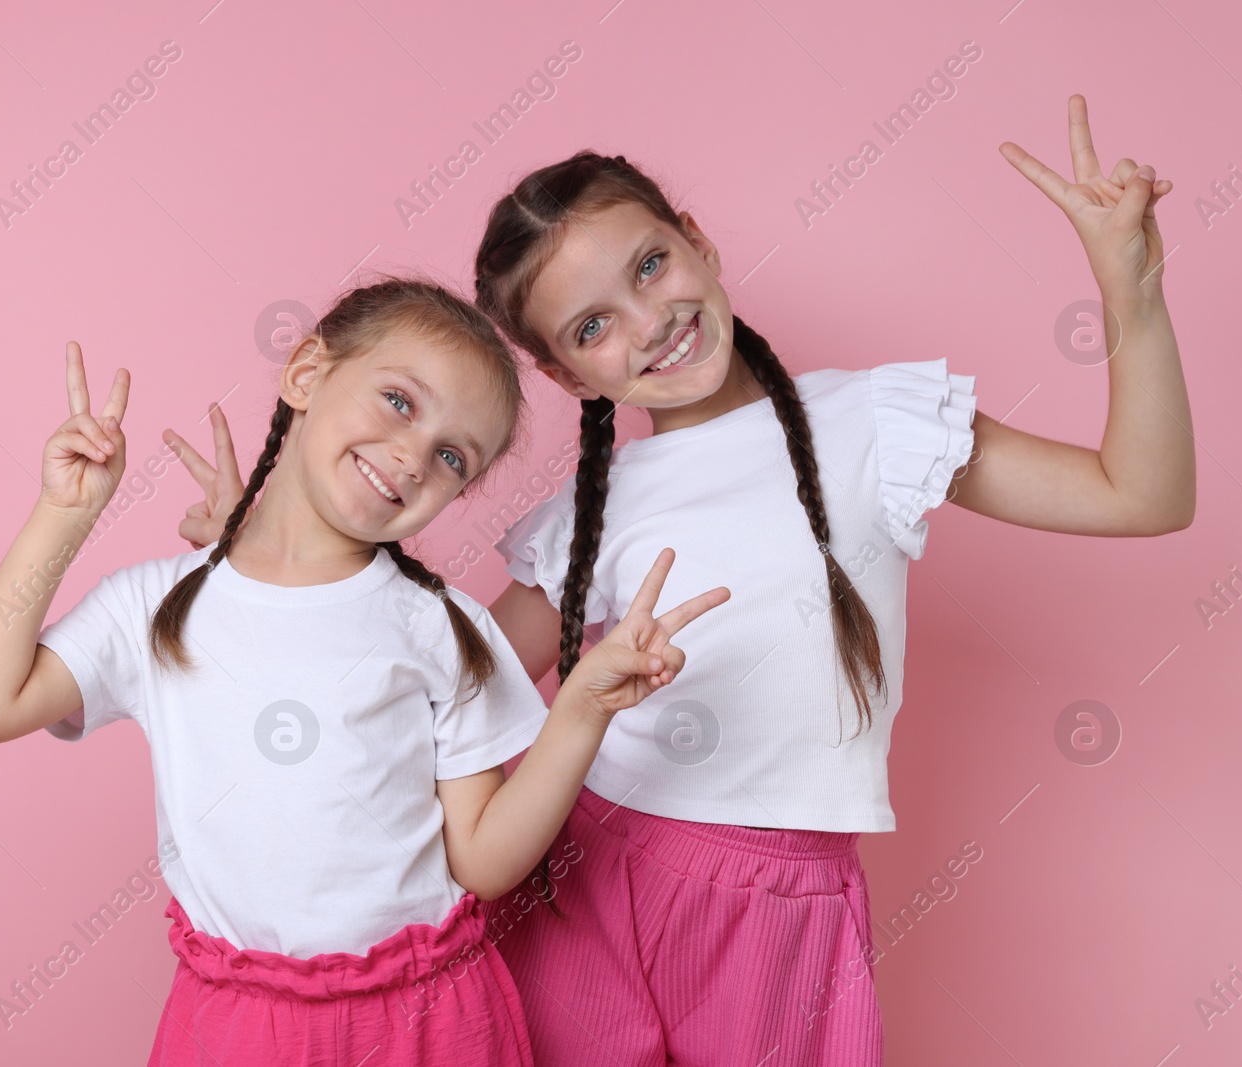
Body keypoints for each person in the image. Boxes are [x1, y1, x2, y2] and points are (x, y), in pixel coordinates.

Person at [464, 95, 1192, 1064]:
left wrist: (1129, 293)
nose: (651, 321)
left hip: (776, 896)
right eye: (594, 324)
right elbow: (452, 686)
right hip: (579, 870)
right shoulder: (591, 510)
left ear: (697, 240)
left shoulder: (875, 422)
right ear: (567, 376)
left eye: (650, 264)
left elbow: (1139, 493)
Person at [0, 277, 728, 1066]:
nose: (414, 456)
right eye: (399, 401)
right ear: (307, 373)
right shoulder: (156, 606)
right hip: (236, 1029)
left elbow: (483, 860)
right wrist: (64, 516)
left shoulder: (443, 627)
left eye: (452, 456)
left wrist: (583, 709)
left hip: (429, 1024)